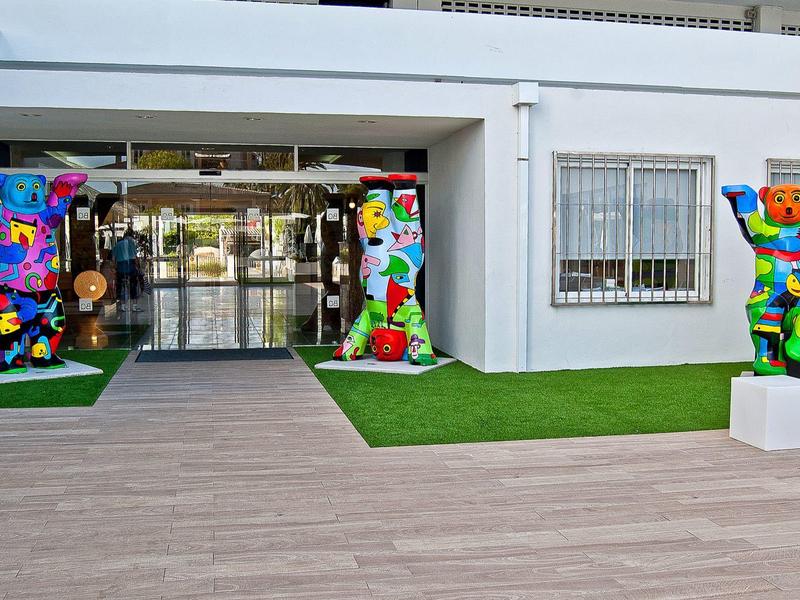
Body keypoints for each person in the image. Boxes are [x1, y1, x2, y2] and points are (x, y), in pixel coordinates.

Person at [112, 229, 141, 312]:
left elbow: (113, 259)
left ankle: (123, 306)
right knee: (133, 286)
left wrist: (115, 268)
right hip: (131, 267)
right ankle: (134, 306)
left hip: (121, 268)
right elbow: (135, 257)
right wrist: (138, 267)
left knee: (121, 287)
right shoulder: (131, 244)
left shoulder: (117, 245)